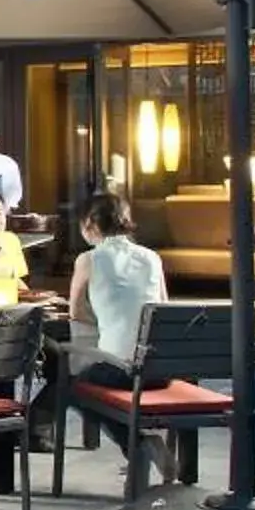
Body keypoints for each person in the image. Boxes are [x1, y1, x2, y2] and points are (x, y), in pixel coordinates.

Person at [66, 190, 177, 482]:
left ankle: (139, 445)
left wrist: (104, 321)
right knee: (100, 379)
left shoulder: (88, 259)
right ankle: (144, 445)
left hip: (121, 370)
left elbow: (75, 312)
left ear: (90, 223)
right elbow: (163, 311)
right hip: (158, 370)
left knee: (74, 388)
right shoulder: (152, 258)